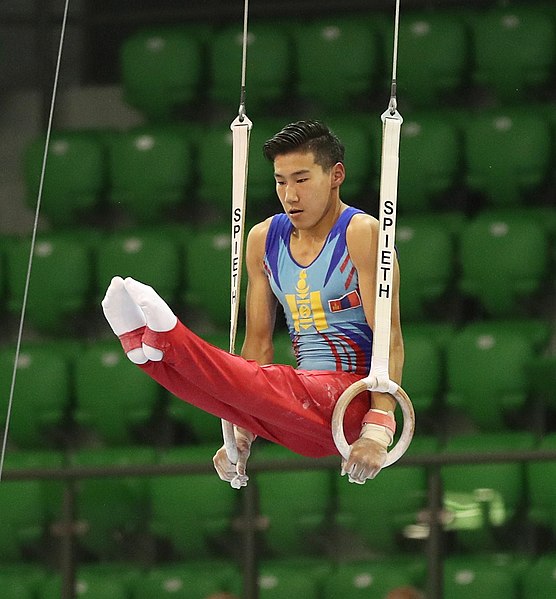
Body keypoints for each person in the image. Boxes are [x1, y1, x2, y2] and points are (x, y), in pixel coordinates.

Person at [101, 120, 404, 485]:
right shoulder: (263, 239)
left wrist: (378, 431)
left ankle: (172, 339)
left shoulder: (361, 232)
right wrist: (240, 432)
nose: (290, 195)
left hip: (349, 405)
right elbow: (258, 344)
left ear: (336, 175)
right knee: (216, 394)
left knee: (270, 383)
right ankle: (153, 357)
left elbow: (390, 340)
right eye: (280, 181)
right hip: (300, 415)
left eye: (302, 179)